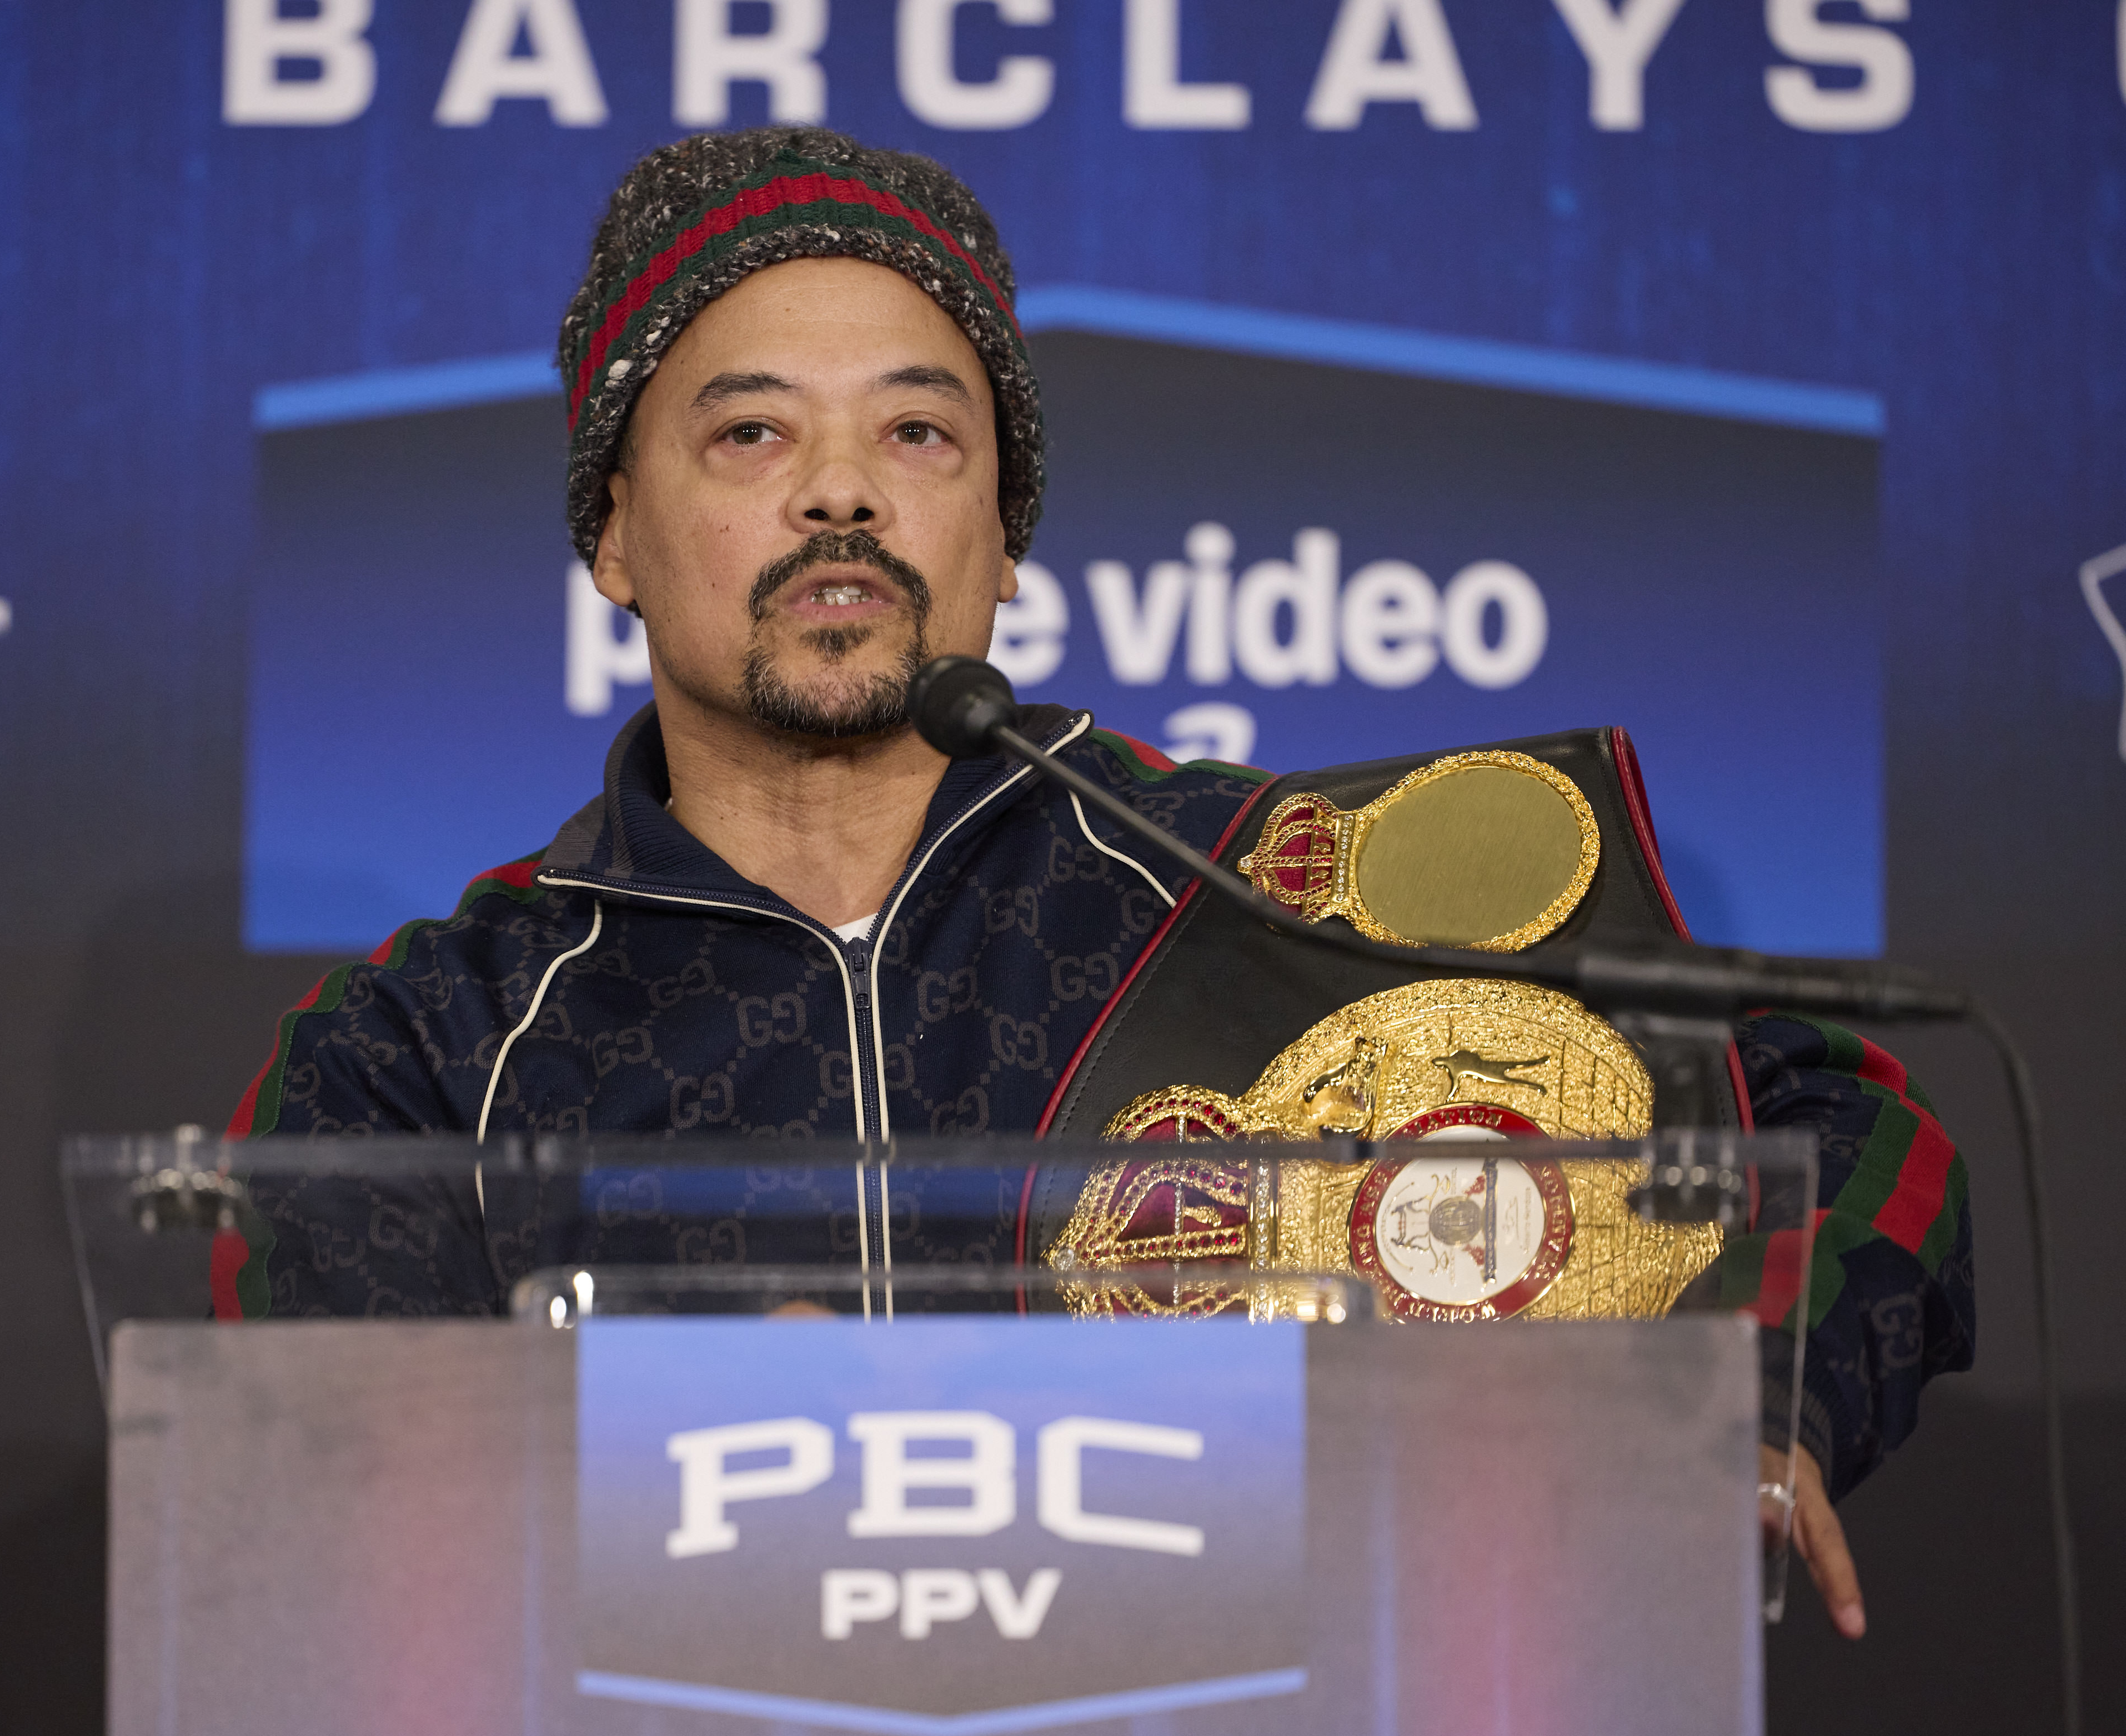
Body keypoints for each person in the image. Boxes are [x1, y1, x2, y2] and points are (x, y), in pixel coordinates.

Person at [228, 127, 1972, 1641]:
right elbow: (296, 1484)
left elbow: (1851, 1125)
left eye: (921, 435)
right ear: (612, 531)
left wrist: (1752, 1394)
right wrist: (648, 1441)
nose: (841, 493)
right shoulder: (427, 1044)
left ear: (1004, 533)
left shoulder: (1266, 887)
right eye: (751, 434)